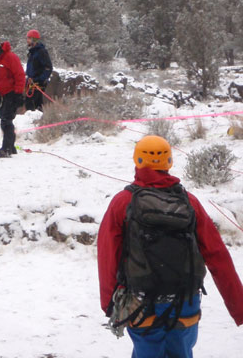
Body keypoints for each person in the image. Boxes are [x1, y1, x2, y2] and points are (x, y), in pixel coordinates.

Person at [97, 135, 243, 356]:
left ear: (137, 160)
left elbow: (108, 254)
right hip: (185, 301)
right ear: (169, 162)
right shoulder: (189, 201)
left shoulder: (122, 202)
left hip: (140, 302)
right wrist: (238, 306)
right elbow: (216, 255)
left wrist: (109, 303)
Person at [24, 29, 52, 111]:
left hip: (37, 83)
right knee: (35, 104)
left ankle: (36, 121)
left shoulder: (41, 52)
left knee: (31, 105)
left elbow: (48, 68)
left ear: (34, 40)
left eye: (29, 38)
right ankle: (39, 121)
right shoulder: (32, 52)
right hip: (31, 82)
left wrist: (39, 79)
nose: (27, 40)